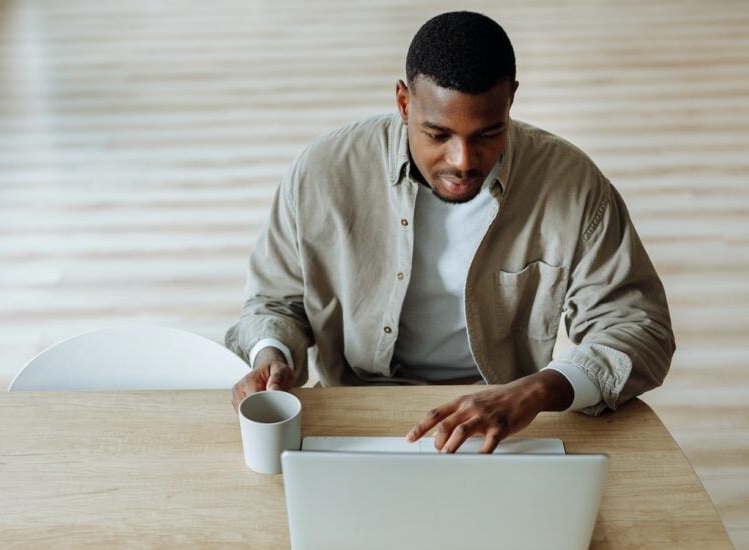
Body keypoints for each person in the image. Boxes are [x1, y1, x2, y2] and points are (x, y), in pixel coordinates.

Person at [226, 11, 674, 453]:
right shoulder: (323, 172)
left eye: (487, 133)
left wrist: (536, 391)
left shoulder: (572, 184)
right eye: (437, 134)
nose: (462, 160)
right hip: (353, 409)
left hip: (502, 420)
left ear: (511, 99)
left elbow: (637, 326)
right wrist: (272, 356)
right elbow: (273, 301)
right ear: (404, 103)